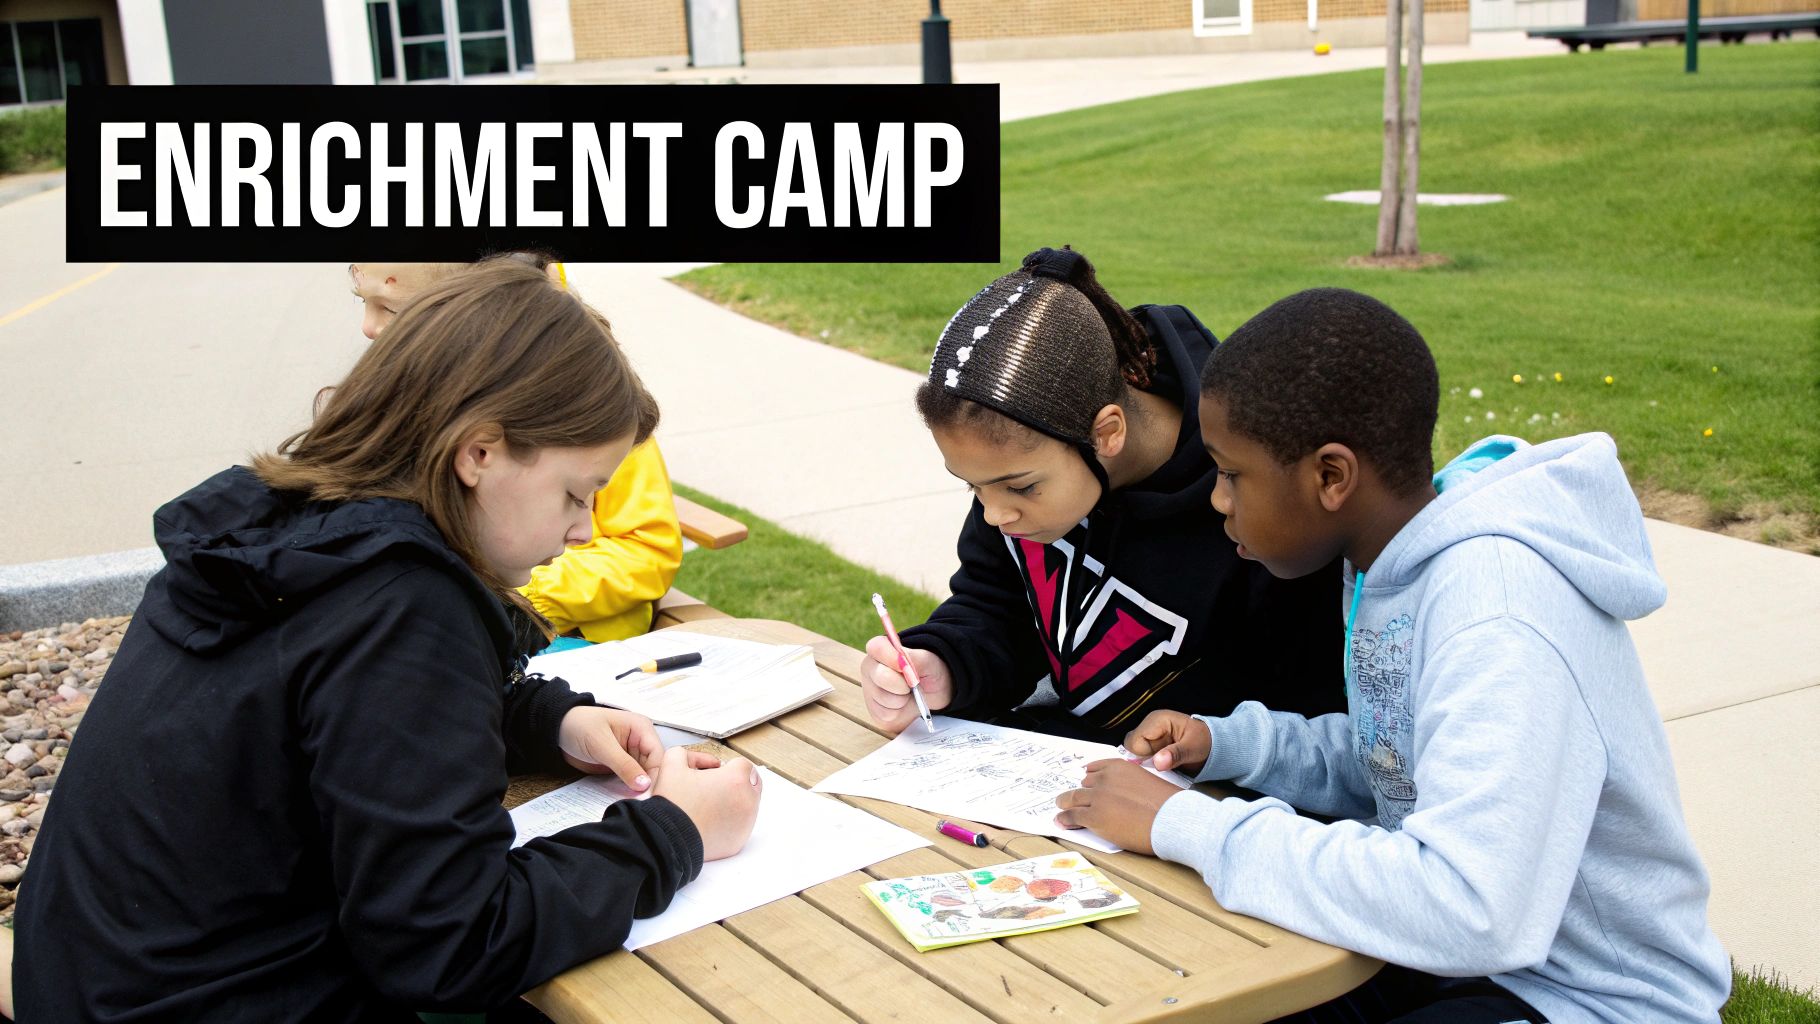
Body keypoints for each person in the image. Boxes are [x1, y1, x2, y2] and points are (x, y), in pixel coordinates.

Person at [15, 260, 763, 1022]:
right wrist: (673, 831)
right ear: (478, 453)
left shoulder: (300, 531)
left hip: (95, 985)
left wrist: (550, 723)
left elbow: (335, 723)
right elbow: (452, 948)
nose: (583, 529)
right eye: (576, 493)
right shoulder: (399, 604)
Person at [1054, 288, 1730, 1023]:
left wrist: (1184, 826)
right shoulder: (1389, 564)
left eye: (1230, 472)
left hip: (1590, 999)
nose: (1217, 499)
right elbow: (1400, 757)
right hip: (1455, 964)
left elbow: (1473, 907)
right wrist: (1231, 743)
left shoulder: (1499, 615)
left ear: (1332, 477)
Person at [858, 246, 1343, 744]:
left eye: (1020, 487)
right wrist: (944, 663)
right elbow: (997, 604)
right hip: (1049, 778)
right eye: (972, 485)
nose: (996, 512)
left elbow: (1313, 727)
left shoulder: (1258, 508)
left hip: (1196, 801)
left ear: (1106, 433)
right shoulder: (1023, 461)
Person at [351, 259, 684, 643]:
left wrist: (521, 596)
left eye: (393, 309)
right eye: (362, 301)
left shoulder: (596, 405)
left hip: (576, 641)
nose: (369, 328)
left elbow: (647, 550)